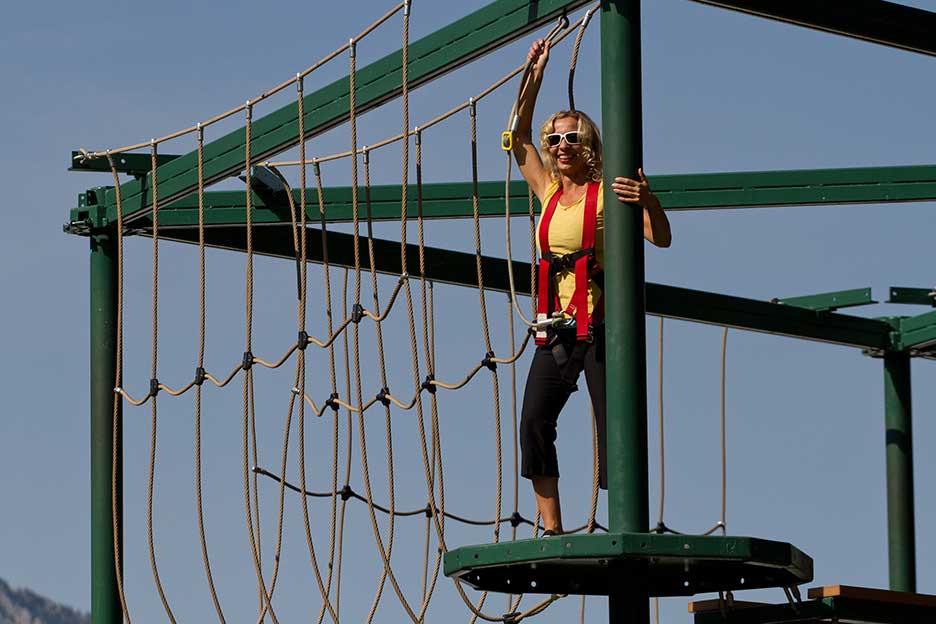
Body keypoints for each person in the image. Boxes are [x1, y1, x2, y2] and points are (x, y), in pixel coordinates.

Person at [513, 39, 672, 536]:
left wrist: (648, 201)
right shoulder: (548, 192)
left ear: (590, 148)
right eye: (555, 140)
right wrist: (534, 75)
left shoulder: (607, 196)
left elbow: (660, 238)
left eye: (571, 140)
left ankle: (623, 520)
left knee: (613, 431)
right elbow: (517, 138)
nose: (561, 148)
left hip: (601, 325)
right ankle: (553, 529)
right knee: (534, 424)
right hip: (556, 329)